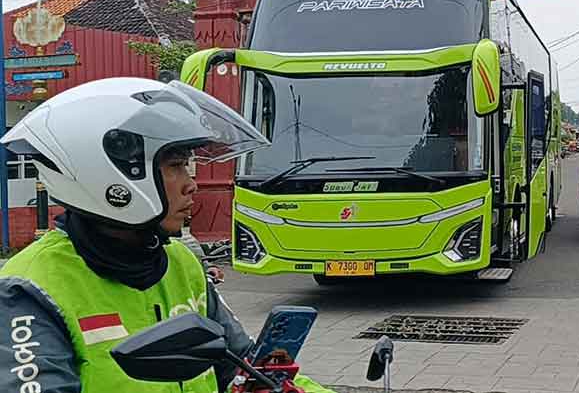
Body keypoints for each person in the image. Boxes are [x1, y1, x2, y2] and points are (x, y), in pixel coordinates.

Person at [0, 78, 332, 393]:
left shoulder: (179, 262)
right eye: (175, 166)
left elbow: (245, 368)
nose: (192, 184)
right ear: (108, 173)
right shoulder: (30, 288)